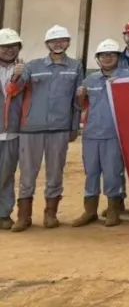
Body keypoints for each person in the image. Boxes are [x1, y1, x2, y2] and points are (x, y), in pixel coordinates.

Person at [7, 25, 82, 232]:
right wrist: (16, 76)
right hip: (31, 128)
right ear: (47, 44)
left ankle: (51, 214)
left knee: (55, 173)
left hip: (60, 128)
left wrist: (74, 127)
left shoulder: (75, 67)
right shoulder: (32, 66)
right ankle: (24, 216)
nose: (58, 44)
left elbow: (77, 101)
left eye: (62, 40)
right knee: (27, 174)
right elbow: (14, 91)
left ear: (68, 43)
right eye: (53, 41)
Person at [71, 39, 129, 228]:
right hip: (91, 134)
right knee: (91, 173)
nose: (107, 58)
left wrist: (122, 87)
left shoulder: (127, 77)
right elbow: (80, 106)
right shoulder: (90, 80)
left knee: (113, 173)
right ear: (98, 58)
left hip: (114, 134)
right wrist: (80, 96)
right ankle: (90, 211)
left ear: (118, 57)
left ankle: (113, 210)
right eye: (103, 55)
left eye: (111, 55)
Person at [0, 28, 23, 230]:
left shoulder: (25, 71)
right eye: (4, 46)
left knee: (7, 174)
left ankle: (4, 213)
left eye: (13, 46)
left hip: (13, 132)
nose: (9, 50)